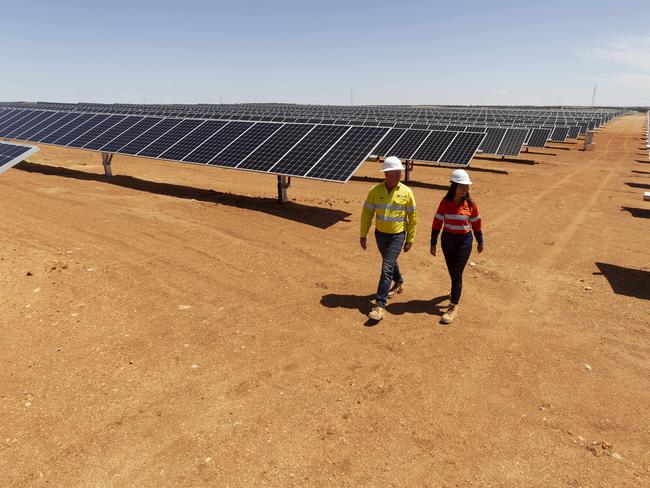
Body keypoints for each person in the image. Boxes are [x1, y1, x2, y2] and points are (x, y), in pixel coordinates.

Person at [360, 156, 418, 321]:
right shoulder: (375, 191)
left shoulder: (407, 192)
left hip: (397, 236)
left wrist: (410, 239)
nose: (398, 175)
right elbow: (367, 214)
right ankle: (399, 282)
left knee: (386, 267)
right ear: (386, 174)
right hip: (380, 235)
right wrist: (363, 234)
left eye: (399, 173)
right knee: (390, 262)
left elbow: (413, 217)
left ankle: (379, 305)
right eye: (394, 173)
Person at [430, 169, 484, 324]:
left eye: (467, 187)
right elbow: (437, 222)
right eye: (462, 186)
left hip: (464, 243)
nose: (465, 189)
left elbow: (476, 224)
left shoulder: (471, 205)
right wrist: (433, 242)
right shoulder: (445, 203)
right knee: (452, 272)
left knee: (457, 274)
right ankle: (455, 292)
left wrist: (480, 241)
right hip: (447, 241)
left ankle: (453, 306)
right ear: (454, 186)